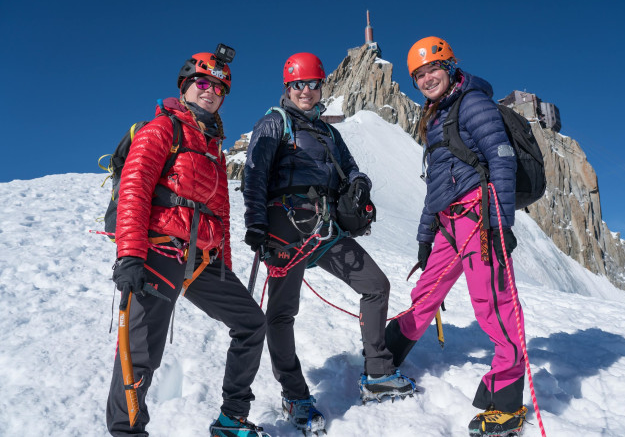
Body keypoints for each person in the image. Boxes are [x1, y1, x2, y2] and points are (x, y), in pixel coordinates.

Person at [242, 52, 416, 434]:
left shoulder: (328, 132)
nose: (306, 91)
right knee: (283, 311)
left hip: (324, 228)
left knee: (375, 285)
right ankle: (294, 393)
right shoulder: (275, 123)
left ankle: (378, 371)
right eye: (298, 84)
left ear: (322, 85)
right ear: (288, 88)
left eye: (313, 83)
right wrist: (255, 223)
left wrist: (360, 183)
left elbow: (350, 168)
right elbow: (254, 174)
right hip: (284, 226)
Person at [106, 49, 267, 437]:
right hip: (160, 248)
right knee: (141, 353)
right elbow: (134, 188)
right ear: (186, 85)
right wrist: (129, 254)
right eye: (203, 82)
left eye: (219, 87)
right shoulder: (162, 129)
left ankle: (232, 417)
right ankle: (127, 432)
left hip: (203, 260)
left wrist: (224, 265)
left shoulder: (214, 149)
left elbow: (221, 215)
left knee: (250, 323)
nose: (211, 91)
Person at [384, 37, 528, 437]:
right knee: (426, 292)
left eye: (434, 69)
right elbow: (436, 185)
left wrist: (500, 224)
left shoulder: (473, 103)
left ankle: (507, 403)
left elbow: (500, 157)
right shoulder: (434, 117)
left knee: (492, 304)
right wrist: (425, 236)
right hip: (449, 222)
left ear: (449, 67)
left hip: (479, 218)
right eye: (419, 74)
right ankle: (387, 355)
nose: (427, 78)